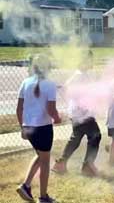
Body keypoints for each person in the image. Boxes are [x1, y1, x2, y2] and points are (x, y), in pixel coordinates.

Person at [16, 54, 61, 203]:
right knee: (45, 163)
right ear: (48, 67)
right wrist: (57, 118)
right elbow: (51, 109)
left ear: (33, 67)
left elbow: (19, 108)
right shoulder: (50, 84)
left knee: (41, 156)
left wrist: (22, 127)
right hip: (43, 128)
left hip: (29, 128)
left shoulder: (25, 82)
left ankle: (26, 186)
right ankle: (43, 197)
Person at [52, 50, 101, 177]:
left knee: (76, 138)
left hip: (79, 113)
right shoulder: (79, 76)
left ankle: (60, 164)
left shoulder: (81, 75)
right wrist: (82, 107)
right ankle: (87, 166)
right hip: (82, 114)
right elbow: (72, 93)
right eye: (90, 59)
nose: (92, 62)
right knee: (96, 136)